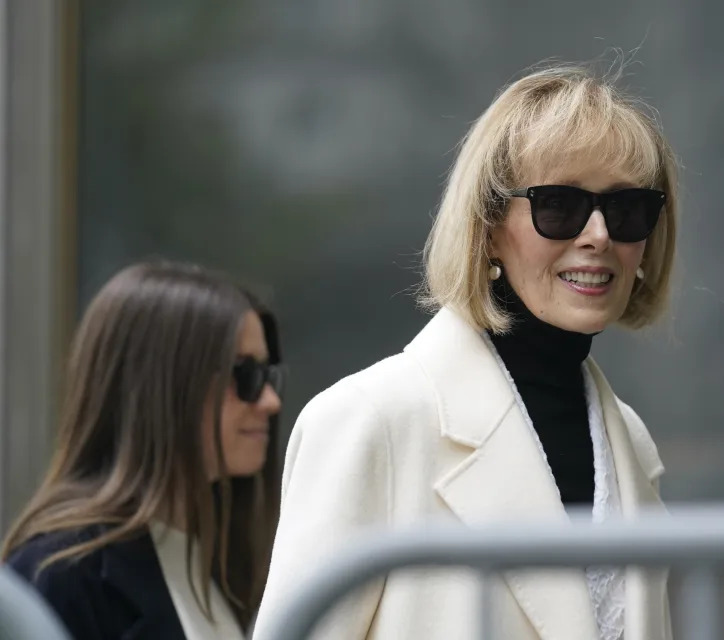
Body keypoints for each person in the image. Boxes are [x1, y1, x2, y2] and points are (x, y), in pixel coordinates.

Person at [255, 63, 678, 640]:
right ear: (489, 227)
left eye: (628, 209)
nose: (599, 234)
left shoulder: (629, 441)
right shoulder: (368, 420)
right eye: (560, 205)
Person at [2, 260, 285, 640]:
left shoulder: (223, 563)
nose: (269, 401)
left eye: (267, 376)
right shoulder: (60, 574)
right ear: (162, 389)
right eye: (246, 375)